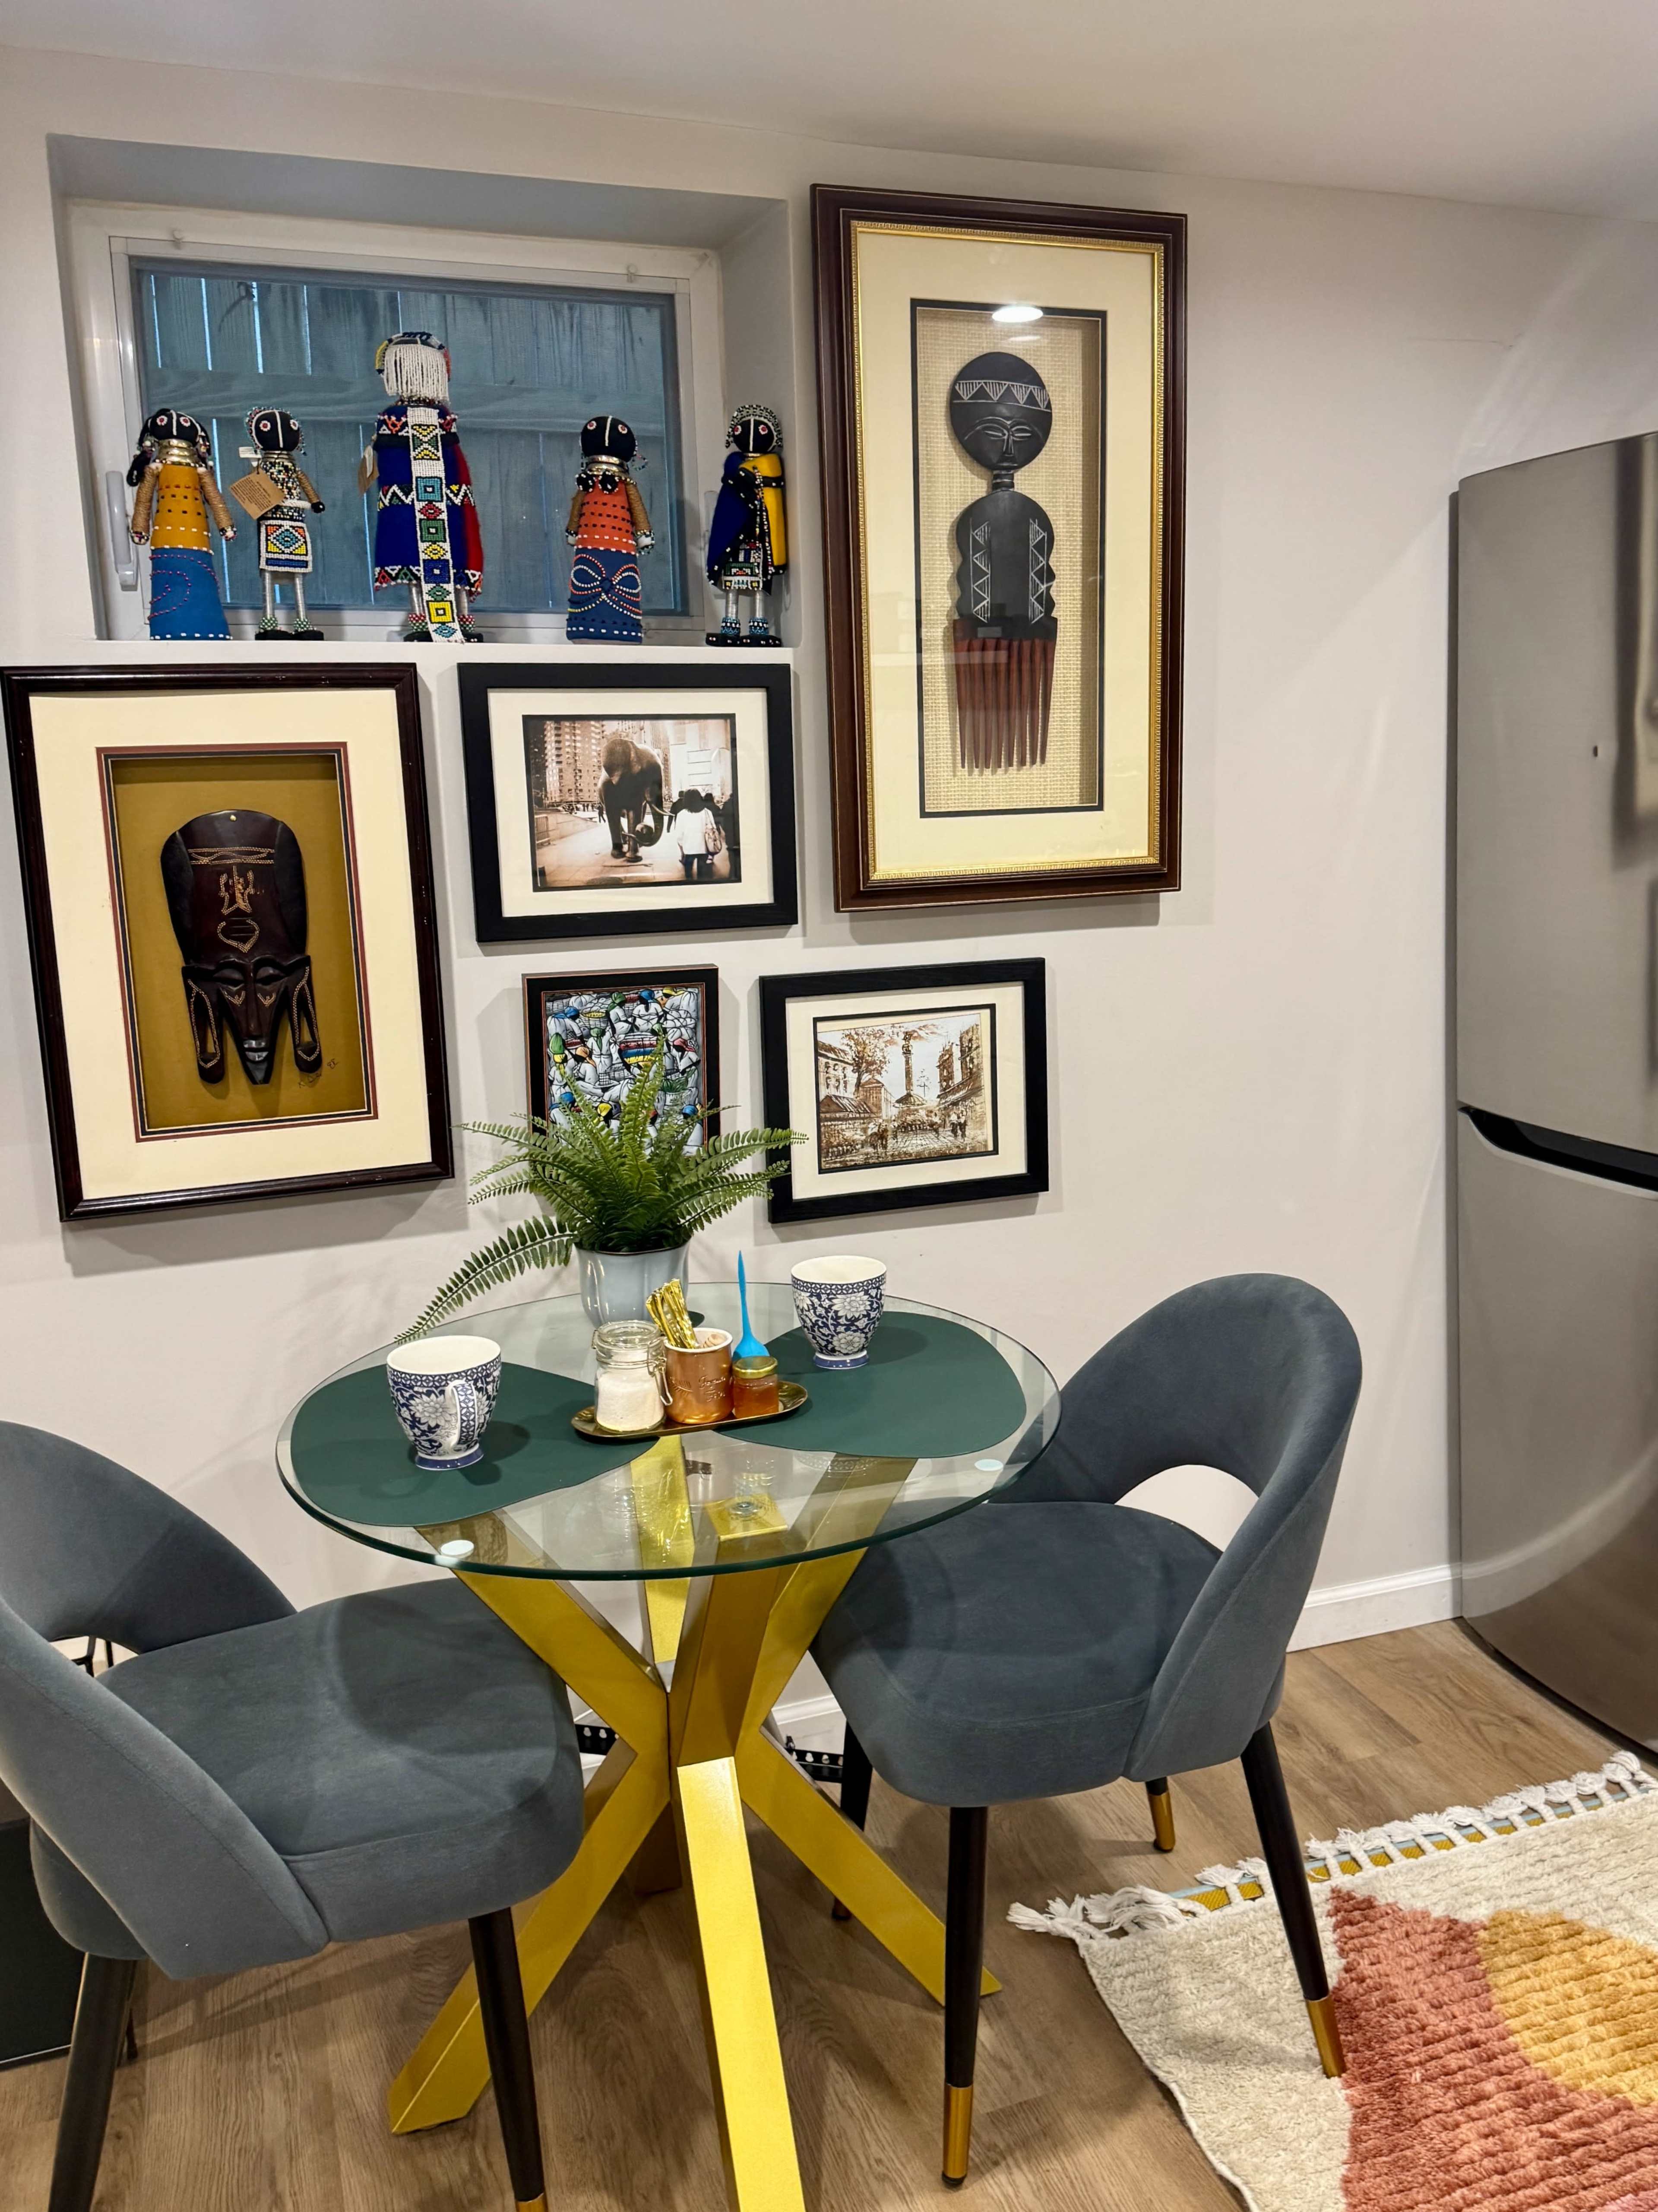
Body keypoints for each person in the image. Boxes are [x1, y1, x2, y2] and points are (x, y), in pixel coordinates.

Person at [672, 790, 723, 883]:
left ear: (686, 800)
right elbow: (713, 828)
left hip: (689, 848)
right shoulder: (707, 812)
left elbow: (679, 834)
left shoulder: (682, 814)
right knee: (702, 874)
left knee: (688, 873)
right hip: (704, 848)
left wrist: (683, 845)